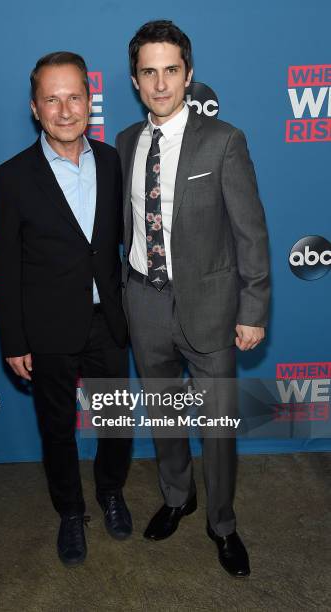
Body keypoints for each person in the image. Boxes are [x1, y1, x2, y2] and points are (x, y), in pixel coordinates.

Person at [116, 20, 270, 577]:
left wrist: (253, 310)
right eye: (149, 72)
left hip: (210, 308)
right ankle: (178, 497)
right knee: (165, 415)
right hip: (145, 303)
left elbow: (250, 232)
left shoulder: (224, 140)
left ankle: (222, 523)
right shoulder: (127, 142)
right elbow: (127, 226)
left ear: (189, 75)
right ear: (135, 81)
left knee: (219, 426)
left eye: (171, 70)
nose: (161, 84)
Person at [0, 51, 132, 567]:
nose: (64, 109)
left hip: (109, 323)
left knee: (117, 423)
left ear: (90, 102)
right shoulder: (10, 178)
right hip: (47, 329)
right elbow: (4, 267)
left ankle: (111, 492)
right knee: (57, 429)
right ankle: (71, 513)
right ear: (35, 108)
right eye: (52, 98)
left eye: (74, 96)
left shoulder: (114, 163)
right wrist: (14, 340)